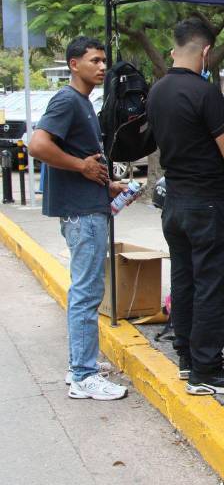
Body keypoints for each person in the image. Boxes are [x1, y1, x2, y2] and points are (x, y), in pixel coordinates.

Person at [147, 17, 224, 396]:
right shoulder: (204, 92)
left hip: (174, 201)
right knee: (212, 285)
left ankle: (188, 359)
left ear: (176, 48)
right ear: (206, 51)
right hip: (209, 204)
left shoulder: (157, 90)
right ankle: (207, 369)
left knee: (185, 280)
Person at [29, 36, 128, 400]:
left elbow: (81, 160)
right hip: (82, 215)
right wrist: (81, 166)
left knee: (87, 291)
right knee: (87, 294)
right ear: (74, 64)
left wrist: (105, 183)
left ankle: (81, 365)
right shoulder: (68, 100)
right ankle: (84, 376)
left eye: (104, 61)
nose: (102, 67)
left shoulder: (82, 102)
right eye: (94, 61)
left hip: (89, 206)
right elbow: (38, 145)